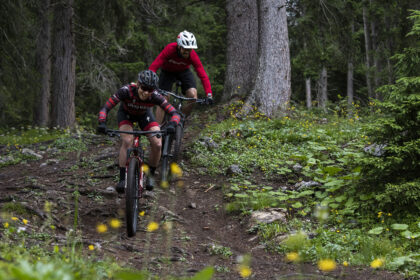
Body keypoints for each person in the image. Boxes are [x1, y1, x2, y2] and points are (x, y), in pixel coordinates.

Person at [97, 70, 180, 193]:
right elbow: (106, 108)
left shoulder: (155, 95)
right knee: (127, 140)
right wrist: (102, 122)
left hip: (144, 116)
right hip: (126, 115)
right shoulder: (126, 91)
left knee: (157, 143)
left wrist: (172, 124)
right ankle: (122, 178)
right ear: (138, 84)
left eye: (150, 90)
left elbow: (174, 113)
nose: (146, 93)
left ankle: (150, 176)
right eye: (144, 88)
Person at [149, 30, 213, 123]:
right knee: (163, 99)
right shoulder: (170, 49)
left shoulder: (192, 55)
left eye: (190, 49)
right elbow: (155, 65)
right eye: (185, 49)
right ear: (179, 46)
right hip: (168, 72)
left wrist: (209, 94)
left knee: (193, 96)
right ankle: (157, 130)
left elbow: (202, 74)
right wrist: (148, 81)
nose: (187, 52)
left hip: (184, 72)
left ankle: (180, 120)